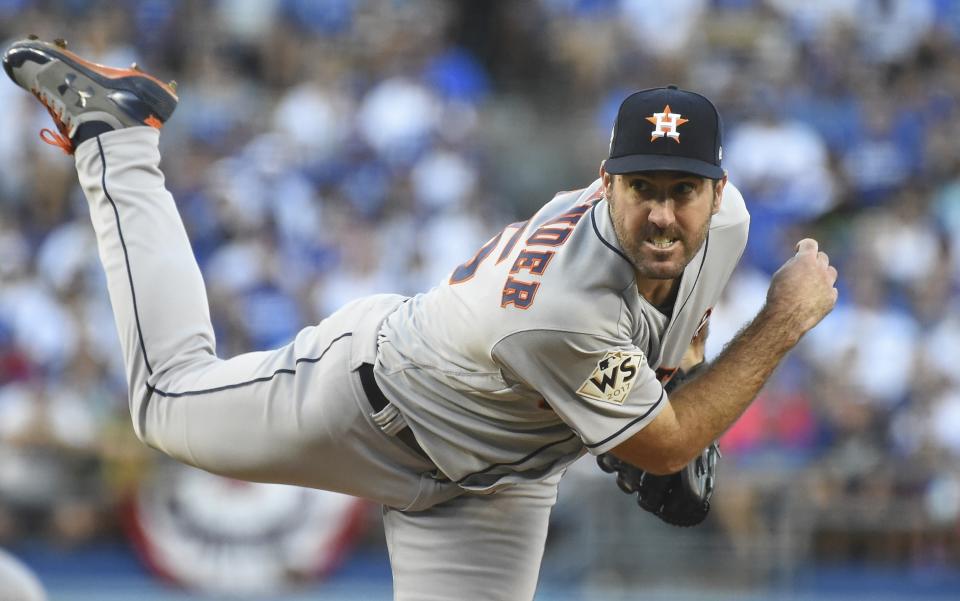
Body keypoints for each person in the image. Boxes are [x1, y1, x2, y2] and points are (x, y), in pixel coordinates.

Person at [3, 37, 838, 601]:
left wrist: (682, 373)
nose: (663, 213)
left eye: (681, 190)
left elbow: (683, 335)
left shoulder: (725, 228)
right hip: (368, 407)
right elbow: (663, 442)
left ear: (717, 190)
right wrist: (783, 319)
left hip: (496, 486)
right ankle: (118, 138)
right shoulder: (560, 302)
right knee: (161, 398)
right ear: (605, 181)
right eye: (642, 188)